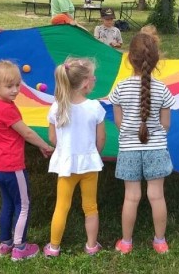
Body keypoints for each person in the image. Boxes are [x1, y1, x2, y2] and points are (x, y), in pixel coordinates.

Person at [108, 33, 175, 254]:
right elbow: (165, 125)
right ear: (157, 59)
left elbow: (119, 122)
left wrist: (131, 132)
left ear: (129, 59)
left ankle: (126, 242)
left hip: (129, 149)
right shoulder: (163, 89)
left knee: (131, 196)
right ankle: (160, 241)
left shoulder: (120, 88)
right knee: (157, 196)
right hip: (156, 148)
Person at [0, 61, 55, 261]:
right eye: (9, 86)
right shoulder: (7, 109)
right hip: (12, 166)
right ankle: (20, 248)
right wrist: (44, 145)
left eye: (17, 85)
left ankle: (5, 243)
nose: (15, 90)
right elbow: (25, 132)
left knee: (8, 203)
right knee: (23, 205)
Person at [43, 58, 106, 257]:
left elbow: (53, 138)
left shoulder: (56, 107)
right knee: (91, 206)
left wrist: (64, 150)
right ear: (86, 83)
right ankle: (91, 245)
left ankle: (53, 247)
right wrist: (93, 154)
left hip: (66, 165)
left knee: (62, 206)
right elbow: (101, 139)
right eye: (93, 77)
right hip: (89, 165)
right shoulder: (94, 107)